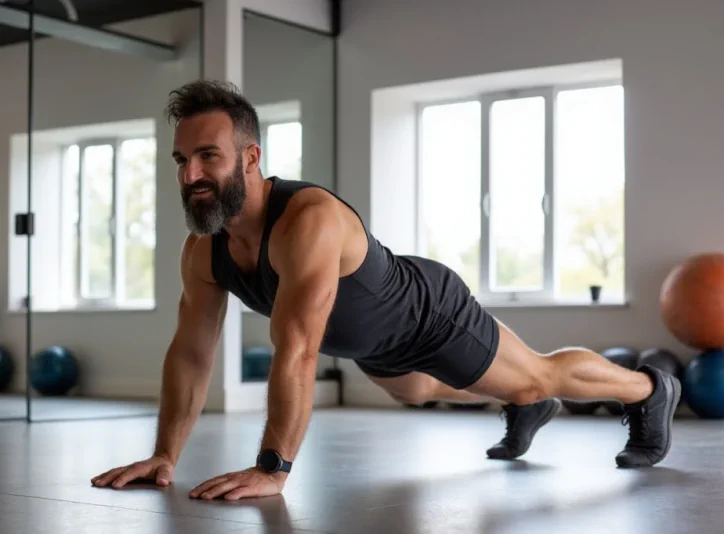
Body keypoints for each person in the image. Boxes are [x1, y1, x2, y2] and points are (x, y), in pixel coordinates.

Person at [91, 80, 681, 500]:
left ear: (251, 156)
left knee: (537, 373)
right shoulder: (204, 250)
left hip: (429, 314)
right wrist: (165, 455)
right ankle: (525, 405)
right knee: (418, 394)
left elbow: (296, 349)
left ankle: (649, 390)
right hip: (375, 345)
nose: (190, 175)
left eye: (207, 157)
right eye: (181, 159)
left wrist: (273, 468)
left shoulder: (307, 222)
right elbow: (192, 352)